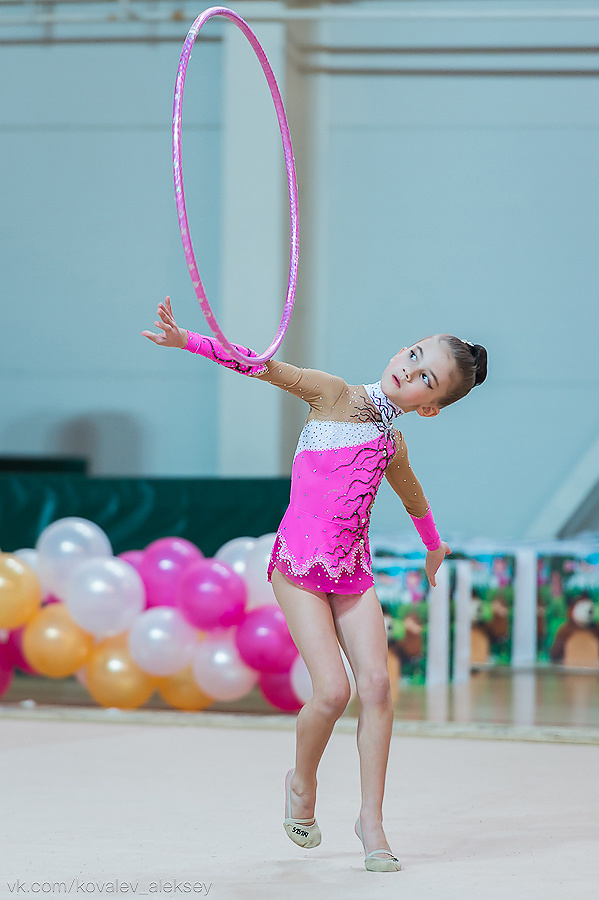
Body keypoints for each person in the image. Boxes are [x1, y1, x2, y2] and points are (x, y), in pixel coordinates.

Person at [143, 297, 488, 873]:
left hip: (350, 572)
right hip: (298, 567)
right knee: (332, 692)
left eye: (426, 378)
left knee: (377, 686)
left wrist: (434, 546)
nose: (409, 370)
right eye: (413, 355)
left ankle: (371, 820)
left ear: (428, 407)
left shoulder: (393, 443)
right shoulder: (332, 394)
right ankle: (301, 782)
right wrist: (190, 342)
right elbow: (261, 365)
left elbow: (413, 496)